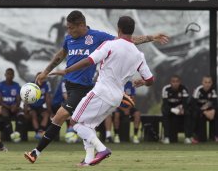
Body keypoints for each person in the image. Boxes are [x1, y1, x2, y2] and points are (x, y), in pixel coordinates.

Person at [24, 10, 168, 164]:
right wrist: (46, 71)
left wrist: (151, 37)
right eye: (67, 28)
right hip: (71, 85)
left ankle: (36, 152)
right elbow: (60, 55)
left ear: (81, 25)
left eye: (71, 27)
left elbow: (127, 41)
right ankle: (87, 159)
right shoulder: (69, 39)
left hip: (82, 88)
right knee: (86, 124)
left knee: (61, 117)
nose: (68, 31)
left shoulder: (98, 37)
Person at [50, 15, 154, 165]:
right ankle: (88, 160)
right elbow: (150, 80)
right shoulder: (139, 55)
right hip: (117, 98)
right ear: (132, 30)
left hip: (101, 92)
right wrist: (142, 82)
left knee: (75, 122)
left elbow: (88, 61)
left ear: (118, 29)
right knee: (88, 126)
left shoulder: (110, 45)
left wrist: (66, 71)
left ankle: (102, 149)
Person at [161, 75, 192, 144]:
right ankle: (166, 137)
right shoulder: (166, 89)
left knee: (188, 113)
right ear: (170, 82)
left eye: (177, 82)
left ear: (180, 82)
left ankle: (187, 137)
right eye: (173, 82)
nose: (175, 83)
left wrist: (181, 109)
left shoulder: (184, 89)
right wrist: (174, 110)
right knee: (165, 112)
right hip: (169, 109)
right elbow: (165, 104)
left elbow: (185, 103)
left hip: (180, 108)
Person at [24, 72, 52, 140]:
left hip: (40, 107)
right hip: (32, 107)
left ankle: (40, 131)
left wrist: (50, 111)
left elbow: (47, 99)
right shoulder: (30, 85)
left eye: (43, 78)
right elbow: (26, 100)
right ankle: (37, 133)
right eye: (40, 78)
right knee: (33, 115)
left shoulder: (46, 85)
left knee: (46, 114)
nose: (41, 80)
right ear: (36, 78)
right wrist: (25, 112)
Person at [191, 76, 218, 142]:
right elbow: (193, 105)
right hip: (200, 112)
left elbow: (215, 104)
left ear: (211, 83)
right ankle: (196, 136)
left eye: (209, 82)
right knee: (202, 139)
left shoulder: (213, 91)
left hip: (210, 112)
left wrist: (213, 111)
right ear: (202, 83)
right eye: (205, 82)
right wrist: (204, 112)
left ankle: (215, 136)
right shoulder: (198, 90)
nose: (207, 84)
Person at [0, 68, 21, 141]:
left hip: (14, 107)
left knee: (21, 114)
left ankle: (18, 134)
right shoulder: (1, 85)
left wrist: (16, 106)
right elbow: (0, 101)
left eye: (11, 74)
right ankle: (11, 134)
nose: (9, 76)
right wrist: (9, 107)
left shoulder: (16, 85)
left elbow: (18, 99)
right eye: (8, 74)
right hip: (5, 106)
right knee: (4, 113)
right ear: (5, 75)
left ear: (13, 76)